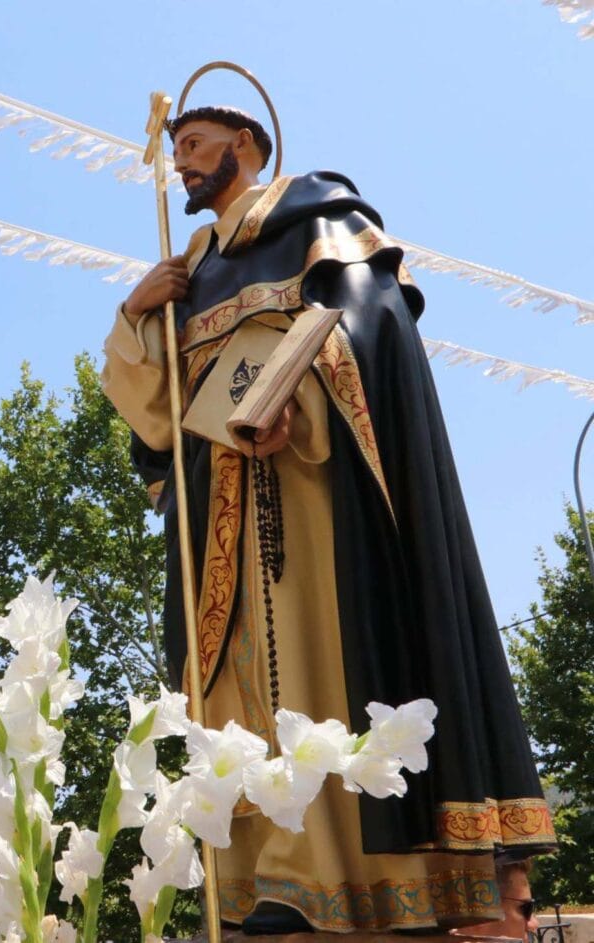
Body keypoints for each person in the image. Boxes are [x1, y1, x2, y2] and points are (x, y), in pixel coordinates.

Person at [100, 105, 556, 935]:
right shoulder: (187, 272)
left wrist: (298, 407)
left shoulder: (320, 223)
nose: (183, 164)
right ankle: (258, 881)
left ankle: (336, 876)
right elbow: (159, 422)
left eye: (194, 145)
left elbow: (367, 335)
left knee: (318, 670)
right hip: (218, 524)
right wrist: (137, 314)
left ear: (245, 145)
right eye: (176, 152)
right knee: (232, 696)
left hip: (315, 499)